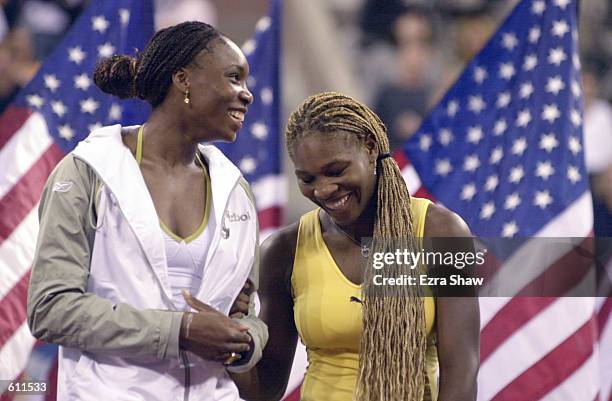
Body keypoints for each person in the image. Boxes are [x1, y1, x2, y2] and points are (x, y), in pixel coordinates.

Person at [27, 21, 267, 401]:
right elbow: (51, 307)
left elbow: (244, 309)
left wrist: (247, 339)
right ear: (183, 79)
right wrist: (182, 331)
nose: (247, 95)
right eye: (234, 77)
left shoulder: (236, 190)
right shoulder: (88, 171)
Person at [234, 92, 480, 401]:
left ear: (370, 148)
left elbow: (463, 372)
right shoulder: (284, 249)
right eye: (307, 178)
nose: (323, 189)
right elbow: (265, 389)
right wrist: (233, 330)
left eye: (336, 171)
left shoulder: (443, 233)